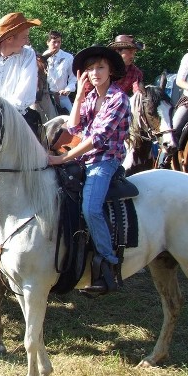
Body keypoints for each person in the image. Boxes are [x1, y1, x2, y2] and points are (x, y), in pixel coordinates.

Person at [47, 46, 132, 295]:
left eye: (100, 67)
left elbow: (97, 138)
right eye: (90, 69)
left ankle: (108, 265)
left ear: (111, 71)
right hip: (85, 159)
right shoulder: (92, 96)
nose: (95, 73)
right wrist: (81, 95)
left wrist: (61, 159)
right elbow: (73, 126)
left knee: (90, 208)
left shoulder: (118, 98)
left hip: (105, 160)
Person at [41, 30, 77, 112]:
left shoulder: (68, 57)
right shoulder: (41, 58)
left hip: (62, 97)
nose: (57, 45)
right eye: (54, 42)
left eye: (59, 42)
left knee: (71, 119)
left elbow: (73, 77)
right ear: (48, 42)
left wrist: (68, 89)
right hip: (45, 97)